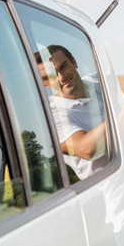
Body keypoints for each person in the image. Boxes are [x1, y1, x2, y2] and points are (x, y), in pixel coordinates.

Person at [43, 45, 108, 180]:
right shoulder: (52, 114)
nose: (61, 77)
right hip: (105, 194)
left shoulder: (98, 80)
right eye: (52, 76)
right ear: (46, 83)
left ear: (74, 62)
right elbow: (86, 150)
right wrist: (119, 112)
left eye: (64, 67)